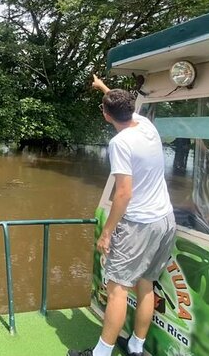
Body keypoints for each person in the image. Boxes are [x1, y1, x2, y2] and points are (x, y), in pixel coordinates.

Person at [68, 75, 176, 356]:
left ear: (106, 116)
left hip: (139, 225)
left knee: (117, 289)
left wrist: (106, 233)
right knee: (146, 284)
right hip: (164, 220)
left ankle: (101, 353)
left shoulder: (120, 143)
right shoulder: (147, 126)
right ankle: (136, 348)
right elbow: (121, 106)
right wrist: (103, 88)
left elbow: (124, 193)